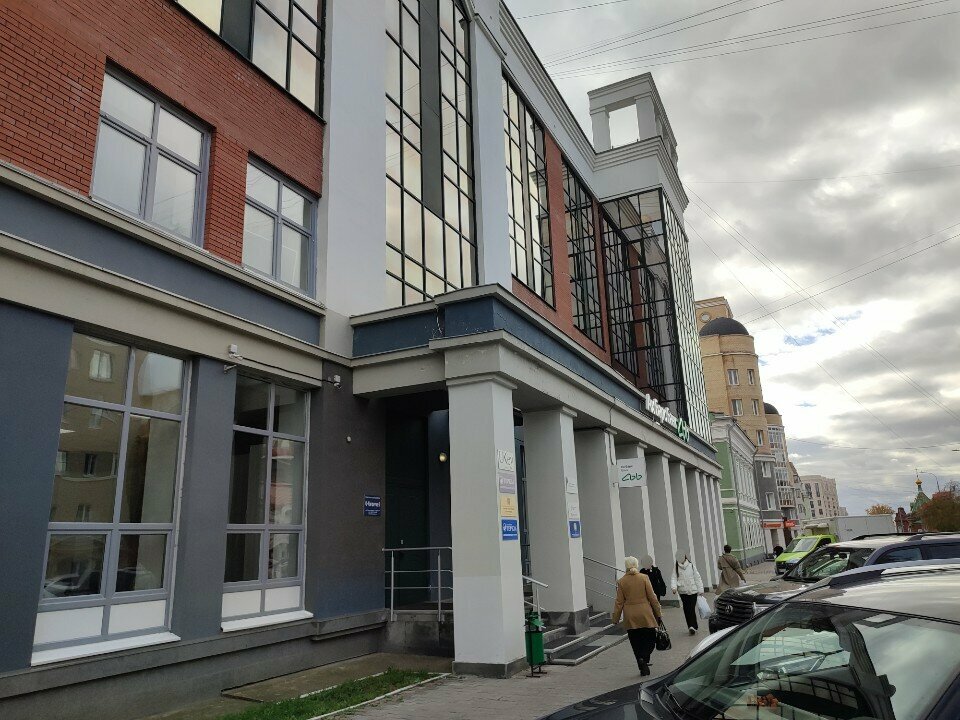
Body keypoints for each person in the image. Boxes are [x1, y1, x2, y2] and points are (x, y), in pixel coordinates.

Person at [611, 555, 663, 676]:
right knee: (650, 638)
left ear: (626, 566)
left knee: (635, 641)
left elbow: (619, 602)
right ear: (636, 565)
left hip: (630, 615)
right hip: (645, 614)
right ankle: (644, 658)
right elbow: (652, 597)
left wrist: (615, 618)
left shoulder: (622, 581)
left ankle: (641, 661)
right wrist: (658, 613)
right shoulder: (644, 578)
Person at [671, 550, 704, 635]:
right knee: (686, 609)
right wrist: (674, 587)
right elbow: (674, 578)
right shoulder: (676, 567)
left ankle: (693, 626)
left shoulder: (691, 565)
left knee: (691, 608)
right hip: (683, 591)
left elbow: (697, 578)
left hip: (693, 590)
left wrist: (700, 590)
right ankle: (691, 626)